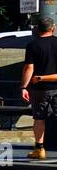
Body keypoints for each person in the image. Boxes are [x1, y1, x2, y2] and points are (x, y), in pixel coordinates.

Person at [20, 17, 57, 160]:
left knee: (39, 118)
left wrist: (24, 86)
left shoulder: (33, 45)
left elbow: (29, 67)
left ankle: (39, 149)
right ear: (52, 28)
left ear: (38, 29)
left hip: (40, 89)